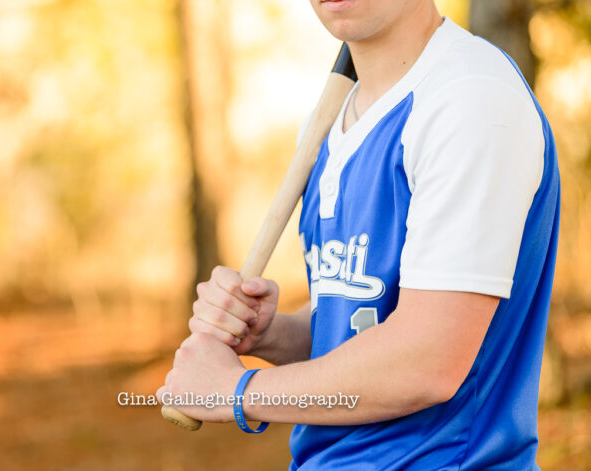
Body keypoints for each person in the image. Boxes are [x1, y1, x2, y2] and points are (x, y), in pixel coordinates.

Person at [157, 0, 560, 469]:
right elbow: (365, 323)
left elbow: (426, 362)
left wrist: (237, 392)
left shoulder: (471, 99)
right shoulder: (329, 123)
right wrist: (274, 334)